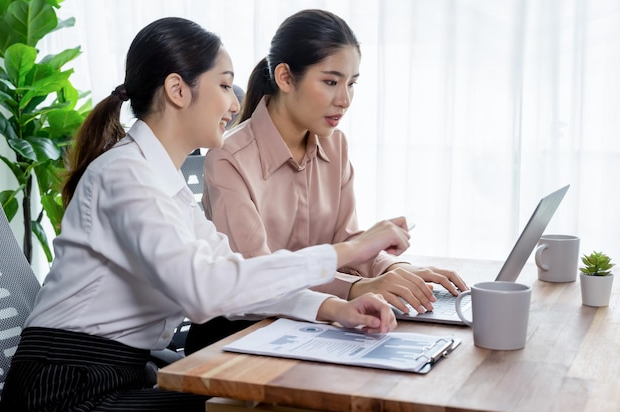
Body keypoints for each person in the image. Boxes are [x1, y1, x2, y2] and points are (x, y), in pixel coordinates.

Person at [0, 16, 412, 412]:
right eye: (223, 85)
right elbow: (204, 292)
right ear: (178, 90)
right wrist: (346, 251)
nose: (235, 103)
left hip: (115, 381)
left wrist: (332, 308)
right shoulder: (124, 175)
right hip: (61, 403)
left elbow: (236, 276)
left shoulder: (164, 184)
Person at [185, 9, 468, 355]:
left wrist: (401, 272)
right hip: (239, 331)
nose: (345, 100)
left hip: (314, 321)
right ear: (286, 78)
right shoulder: (229, 156)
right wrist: (357, 288)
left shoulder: (335, 144)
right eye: (331, 82)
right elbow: (258, 274)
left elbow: (346, 242)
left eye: (351, 84)